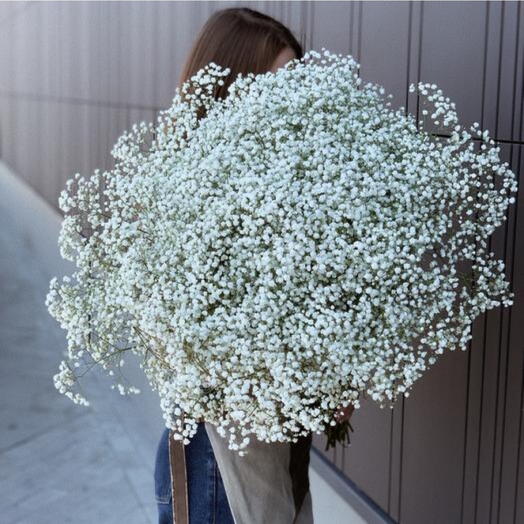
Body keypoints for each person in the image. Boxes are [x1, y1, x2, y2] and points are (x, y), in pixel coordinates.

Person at [153, 7, 354, 524]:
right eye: (276, 87)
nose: (293, 104)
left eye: (297, 84)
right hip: (219, 466)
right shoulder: (191, 195)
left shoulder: (285, 189)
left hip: (277, 452)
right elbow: (190, 349)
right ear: (228, 90)